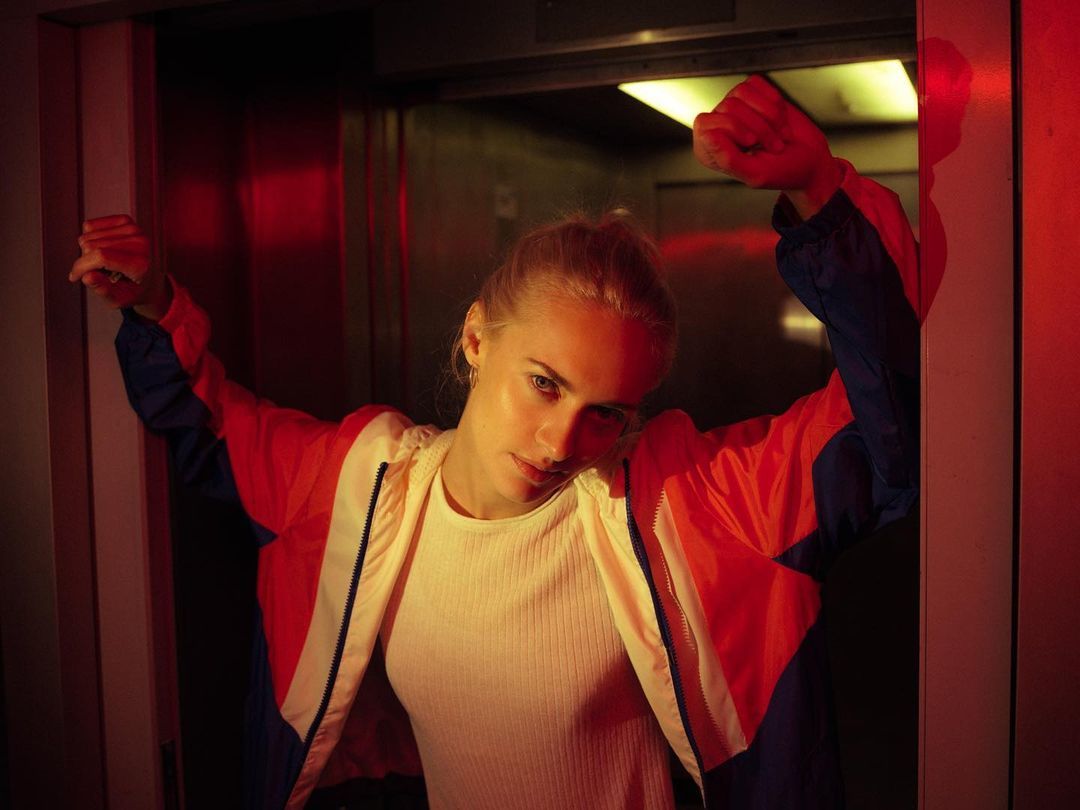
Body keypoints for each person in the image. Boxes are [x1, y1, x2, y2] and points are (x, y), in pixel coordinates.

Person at [70, 76, 920, 810]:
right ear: (477, 338)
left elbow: (887, 422)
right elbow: (212, 426)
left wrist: (820, 192)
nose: (562, 440)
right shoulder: (356, 489)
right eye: (545, 383)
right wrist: (152, 308)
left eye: (607, 412)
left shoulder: (689, 507)